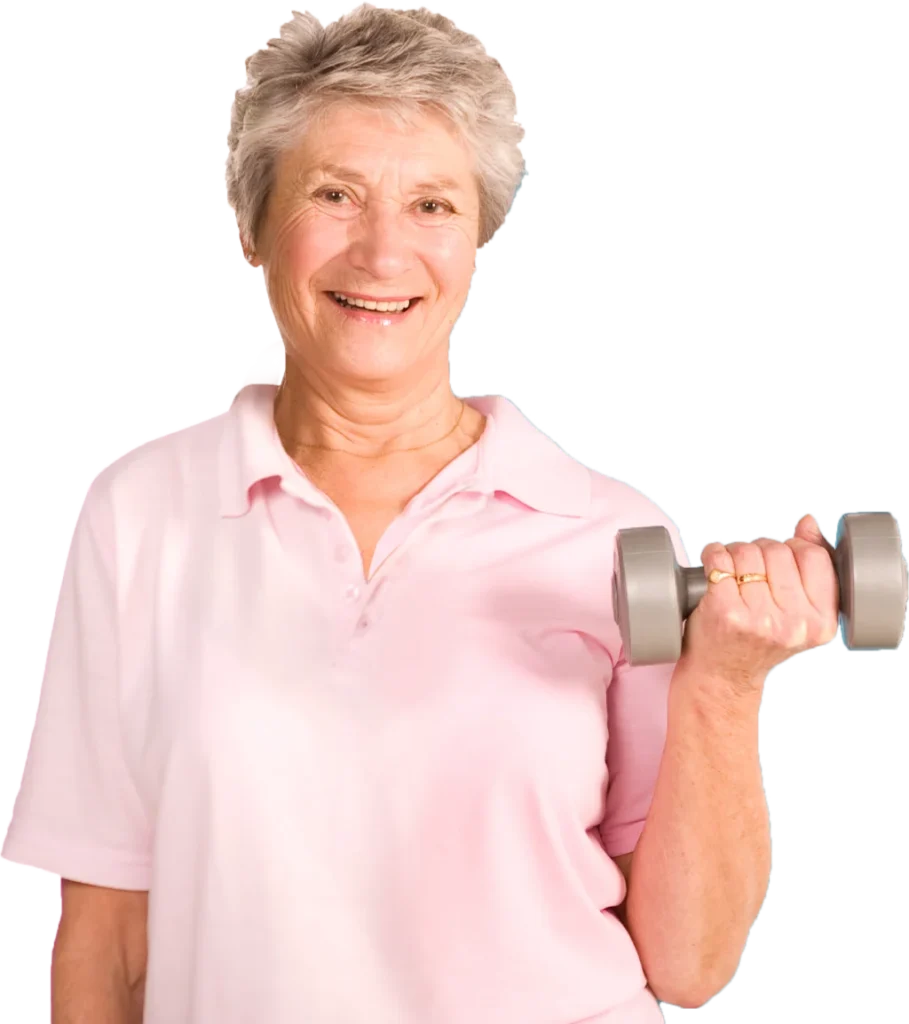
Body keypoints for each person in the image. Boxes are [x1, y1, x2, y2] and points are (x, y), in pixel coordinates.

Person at [0, 6, 840, 1023]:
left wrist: (723, 682)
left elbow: (689, 965)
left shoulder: (610, 534)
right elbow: (108, 935)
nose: (383, 252)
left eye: (433, 205)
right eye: (336, 194)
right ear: (253, 225)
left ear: (479, 235)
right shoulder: (141, 515)